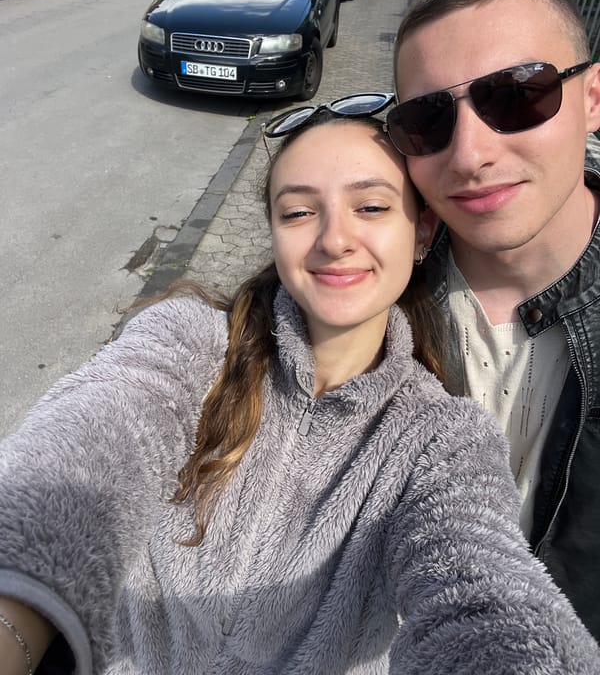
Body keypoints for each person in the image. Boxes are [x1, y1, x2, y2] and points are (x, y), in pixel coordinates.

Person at [0, 108, 599, 675]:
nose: (334, 239)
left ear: (422, 230)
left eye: (370, 206)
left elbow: (481, 589)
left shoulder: (443, 441)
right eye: (298, 212)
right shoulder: (190, 344)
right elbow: (84, 453)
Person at [387, 0, 600, 641]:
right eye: (427, 121)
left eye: (515, 96)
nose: (469, 154)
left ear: (593, 98)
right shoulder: (367, 294)